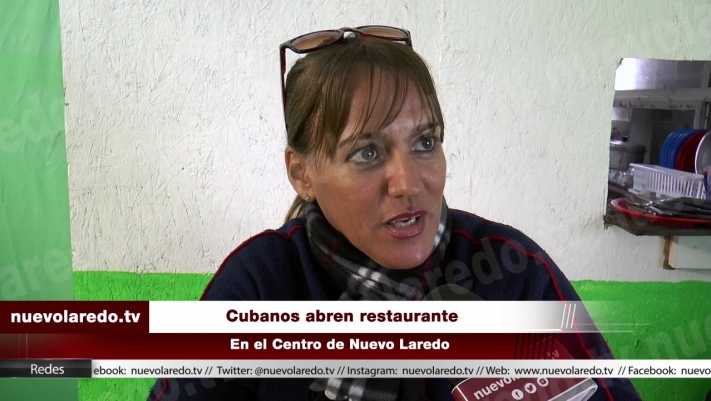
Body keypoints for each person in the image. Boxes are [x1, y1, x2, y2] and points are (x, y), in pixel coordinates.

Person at [148, 26, 641, 401]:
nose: (408, 183)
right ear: (302, 173)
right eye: (367, 152)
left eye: (425, 143)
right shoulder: (260, 286)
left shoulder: (510, 271)